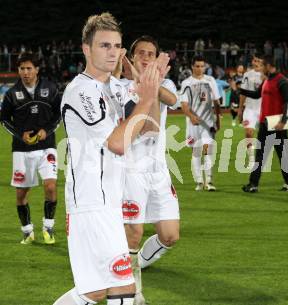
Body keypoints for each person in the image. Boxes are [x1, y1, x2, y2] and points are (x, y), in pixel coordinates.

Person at [53, 13, 168, 304]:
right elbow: (118, 143)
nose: (112, 52)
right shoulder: (82, 91)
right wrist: (145, 99)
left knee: (93, 291)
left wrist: (148, 89)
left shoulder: (114, 88)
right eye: (104, 45)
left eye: (117, 46)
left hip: (106, 202)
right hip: (92, 202)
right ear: (86, 49)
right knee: (123, 286)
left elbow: (150, 128)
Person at [116, 35, 180, 305]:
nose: (145, 57)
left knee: (170, 236)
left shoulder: (164, 83)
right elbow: (146, 126)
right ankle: (134, 292)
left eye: (151, 54)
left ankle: (138, 262)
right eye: (140, 53)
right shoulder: (118, 86)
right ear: (130, 57)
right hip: (131, 169)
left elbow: (172, 99)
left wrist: (147, 79)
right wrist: (138, 78)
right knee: (133, 233)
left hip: (158, 169)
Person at [0, 52, 60, 245]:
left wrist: (47, 130)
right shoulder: (11, 94)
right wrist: (20, 134)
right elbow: (3, 120)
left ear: (36, 69)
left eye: (29, 68)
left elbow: (59, 115)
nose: (25, 72)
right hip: (21, 149)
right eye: (22, 69)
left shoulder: (50, 89)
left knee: (50, 186)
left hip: (46, 147)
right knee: (21, 194)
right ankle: (27, 231)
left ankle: (48, 228)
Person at [241, 54, 288, 193]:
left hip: (277, 123)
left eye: (263, 65)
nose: (260, 67)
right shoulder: (267, 80)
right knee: (260, 155)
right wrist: (238, 89)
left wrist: (283, 121)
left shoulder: (282, 81)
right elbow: (255, 95)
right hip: (265, 123)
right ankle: (253, 184)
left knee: (282, 155)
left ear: (269, 66)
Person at [180, 55, 221, 191]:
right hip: (193, 123)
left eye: (202, 66)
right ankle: (199, 181)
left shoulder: (210, 81)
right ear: (192, 67)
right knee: (196, 152)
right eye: (197, 66)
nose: (199, 69)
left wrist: (218, 120)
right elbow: (184, 105)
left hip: (208, 123)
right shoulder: (186, 83)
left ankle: (209, 181)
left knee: (207, 150)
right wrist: (191, 116)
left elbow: (216, 101)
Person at [237, 54, 263, 168]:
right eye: (255, 60)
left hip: (264, 109)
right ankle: (252, 160)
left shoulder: (267, 75)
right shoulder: (247, 75)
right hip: (250, 109)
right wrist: (240, 109)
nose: (256, 62)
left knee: (268, 137)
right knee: (248, 133)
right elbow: (243, 93)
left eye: (258, 60)